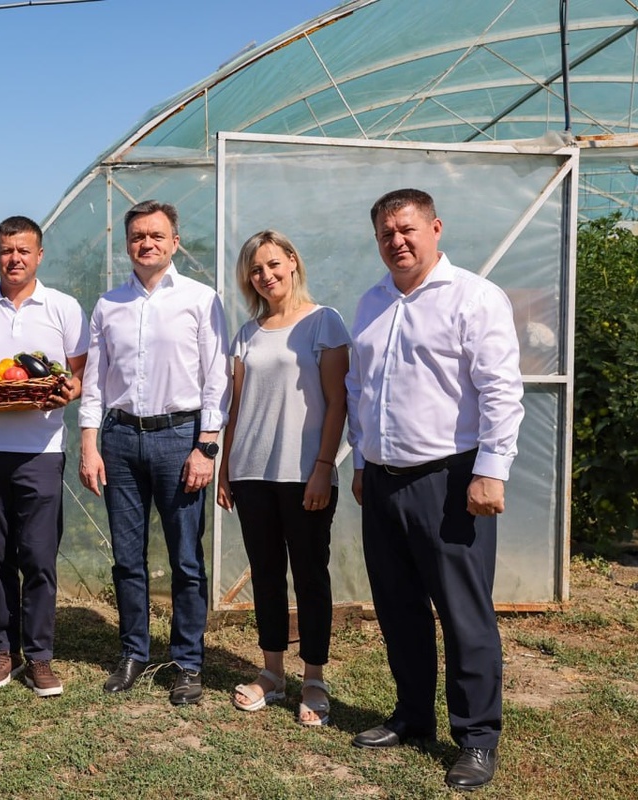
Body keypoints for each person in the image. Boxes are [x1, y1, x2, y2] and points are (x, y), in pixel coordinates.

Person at [346, 189, 524, 791]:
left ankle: (476, 736)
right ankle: (413, 714)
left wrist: (491, 470)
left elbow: (500, 389)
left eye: (407, 229)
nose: (397, 241)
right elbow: (360, 389)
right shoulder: (371, 303)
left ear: (435, 228)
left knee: (463, 613)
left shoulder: (473, 297)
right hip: (384, 480)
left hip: (450, 481)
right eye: (386, 233)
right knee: (398, 607)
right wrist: (362, 461)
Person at [78, 199, 230, 705]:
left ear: (175, 242)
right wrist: (89, 443)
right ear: (127, 244)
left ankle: (187, 661)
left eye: (156, 235)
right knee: (127, 557)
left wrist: (206, 446)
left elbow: (217, 378)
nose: (147, 243)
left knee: (186, 558)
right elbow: (94, 382)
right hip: (120, 440)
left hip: (179, 438)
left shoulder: (200, 299)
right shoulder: (109, 304)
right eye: (138, 236)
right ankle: (134, 652)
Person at [0, 215, 88, 697]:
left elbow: (79, 374)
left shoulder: (63, 307)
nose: (15, 259)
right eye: (7, 250)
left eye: (24, 250)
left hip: (42, 451)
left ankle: (40, 656)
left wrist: (69, 390)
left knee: (39, 557)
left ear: (39, 255)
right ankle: (4, 649)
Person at [215, 230, 349, 727]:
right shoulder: (246, 334)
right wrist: (226, 469)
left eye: (273, 264)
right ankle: (272, 673)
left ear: (292, 261)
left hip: (304, 474)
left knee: (311, 576)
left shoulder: (324, 322)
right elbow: (236, 407)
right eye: (255, 270)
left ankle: (314, 678)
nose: (265, 275)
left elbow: (337, 403)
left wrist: (323, 469)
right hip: (251, 472)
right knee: (267, 574)